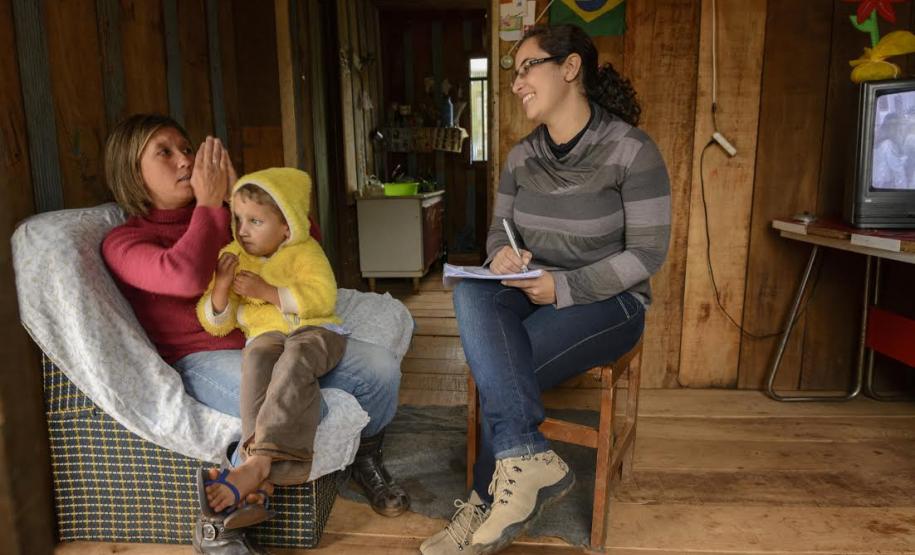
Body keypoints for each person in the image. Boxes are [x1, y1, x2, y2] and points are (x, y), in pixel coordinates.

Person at [101, 114, 410, 550]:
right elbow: (186, 275)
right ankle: (221, 526)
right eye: (164, 152)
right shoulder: (125, 241)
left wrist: (234, 197)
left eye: (186, 148)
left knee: (380, 369)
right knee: (310, 410)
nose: (185, 160)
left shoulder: (227, 216)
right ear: (132, 171)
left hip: (280, 336)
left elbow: (305, 237)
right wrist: (211, 207)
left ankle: (366, 454)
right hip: (206, 357)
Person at [420, 24, 670, 555]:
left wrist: (563, 286)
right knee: (470, 291)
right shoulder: (520, 157)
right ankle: (530, 460)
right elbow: (496, 232)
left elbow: (647, 256)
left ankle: (483, 503)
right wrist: (500, 256)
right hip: (530, 285)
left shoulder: (631, 151)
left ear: (570, 68)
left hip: (610, 302)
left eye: (527, 66)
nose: (516, 83)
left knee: (503, 371)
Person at [196, 168, 347, 513]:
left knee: (296, 357)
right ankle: (258, 467)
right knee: (257, 358)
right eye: (238, 219)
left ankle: (256, 462)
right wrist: (221, 285)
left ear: (286, 225)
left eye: (255, 221)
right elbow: (216, 322)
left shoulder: (305, 251)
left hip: (317, 330)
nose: (243, 230)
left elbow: (324, 296)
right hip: (267, 335)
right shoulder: (234, 254)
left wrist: (266, 291)